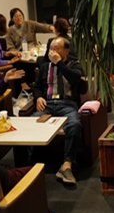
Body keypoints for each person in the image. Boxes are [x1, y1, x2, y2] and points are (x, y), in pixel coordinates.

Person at [29, 35, 85, 189]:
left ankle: (66, 165)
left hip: (67, 104)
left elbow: (75, 79)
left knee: (74, 124)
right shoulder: (45, 67)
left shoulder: (74, 65)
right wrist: (38, 97)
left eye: (56, 48)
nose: (52, 51)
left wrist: (59, 63)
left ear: (66, 51)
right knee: (31, 123)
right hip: (47, 105)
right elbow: (36, 86)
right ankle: (31, 165)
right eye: (51, 48)